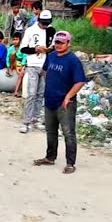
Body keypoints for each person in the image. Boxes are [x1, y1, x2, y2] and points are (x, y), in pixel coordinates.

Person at [33, 31, 87, 172]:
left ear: (68, 44)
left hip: (65, 103)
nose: (58, 45)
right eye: (56, 42)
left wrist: (68, 96)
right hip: (50, 99)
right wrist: (49, 84)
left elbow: (80, 81)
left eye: (62, 43)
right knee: (50, 130)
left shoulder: (72, 60)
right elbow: (45, 71)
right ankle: (50, 157)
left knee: (68, 132)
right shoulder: (50, 57)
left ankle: (70, 163)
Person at [18, 11, 51, 133]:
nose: (45, 26)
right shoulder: (30, 31)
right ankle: (26, 122)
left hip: (45, 66)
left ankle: (35, 119)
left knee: (40, 94)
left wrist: (48, 50)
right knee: (31, 94)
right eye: (43, 23)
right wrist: (35, 49)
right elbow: (23, 48)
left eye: (47, 24)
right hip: (32, 64)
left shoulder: (51, 31)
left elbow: (54, 48)